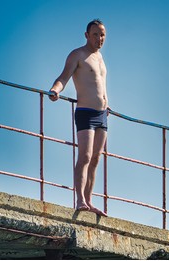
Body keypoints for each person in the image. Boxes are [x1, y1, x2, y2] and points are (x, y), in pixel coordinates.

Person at [49, 19, 108, 217]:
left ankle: (89, 201)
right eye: (95, 35)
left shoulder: (100, 58)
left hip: (103, 115)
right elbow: (64, 77)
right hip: (86, 113)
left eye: (102, 35)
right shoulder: (78, 55)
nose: (99, 39)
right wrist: (55, 90)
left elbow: (99, 85)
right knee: (84, 156)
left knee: (96, 159)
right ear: (86, 35)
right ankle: (80, 199)